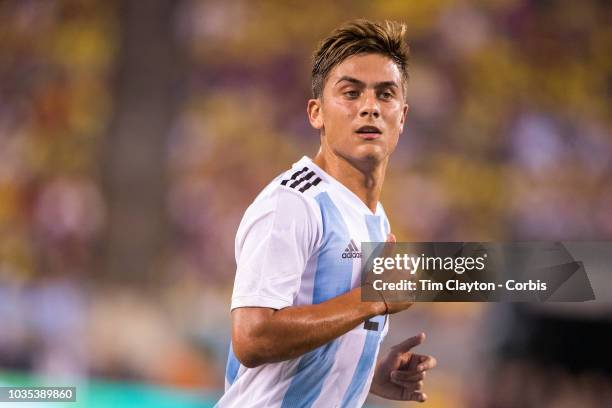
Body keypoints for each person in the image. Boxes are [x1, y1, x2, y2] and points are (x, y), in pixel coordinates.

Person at [216, 19, 437, 407]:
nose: (369, 107)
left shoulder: (374, 217)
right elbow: (253, 338)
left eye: (385, 95)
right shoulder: (293, 203)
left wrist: (364, 373)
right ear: (316, 113)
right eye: (351, 93)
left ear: (402, 116)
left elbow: (315, 336)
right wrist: (375, 299)